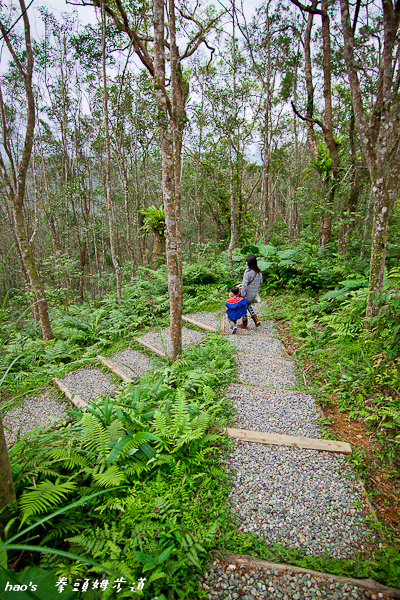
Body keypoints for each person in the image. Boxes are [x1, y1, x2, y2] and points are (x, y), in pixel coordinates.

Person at [238, 254, 262, 328]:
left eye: (247, 261)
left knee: (243, 306)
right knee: (248, 305)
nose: (246, 262)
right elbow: (260, 282)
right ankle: (256, 320)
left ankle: (244, 323)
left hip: (247, 294)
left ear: (249, 262)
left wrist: (242, 294)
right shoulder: (259, 272)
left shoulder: (247, 272)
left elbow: (244, 285)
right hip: (254, 294)